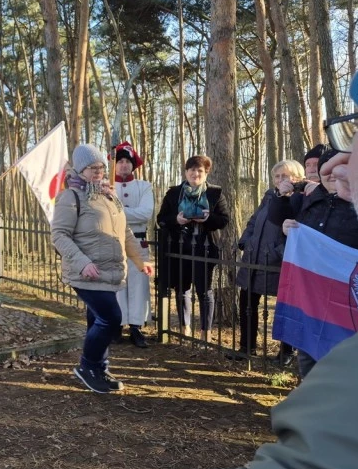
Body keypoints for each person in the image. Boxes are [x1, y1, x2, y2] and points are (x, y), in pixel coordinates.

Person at [162, 51, 358, 469]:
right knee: (306, 359)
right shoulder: (288, 198)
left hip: (332, 301)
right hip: (289, 287)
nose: (344, 164)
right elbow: (269, 221)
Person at [51, 144, 153, 394]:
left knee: (98, 319)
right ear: (80, 170)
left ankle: (99, 368)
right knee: (111, 318)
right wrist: (82, 262)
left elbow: (126, 232)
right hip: (87, 272)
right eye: (91, 168)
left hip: (110, 271)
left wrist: (140, 260)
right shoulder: (71, 196)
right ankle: (87, 366)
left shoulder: (109, 196)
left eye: (100, 167)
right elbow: (59, 235)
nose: (98, 172)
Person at [275, 147, 358, 378]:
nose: (334, 174)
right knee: (309, 358)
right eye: (327, 170)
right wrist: (287, 231)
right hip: (313, 300)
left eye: (342, 169)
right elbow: (297, 238)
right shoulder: (311, 201)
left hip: (350, 305)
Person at [229, 159, 305, 361]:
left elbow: (298, 231)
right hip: (254, 257)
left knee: (286, 306)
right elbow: (254, 221)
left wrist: (276, 251)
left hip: (279, 262)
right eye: (277, 176)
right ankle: (246, 347)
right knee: (247, 302)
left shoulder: (300, 199)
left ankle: (286, 353)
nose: (281, 180)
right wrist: (246, 241)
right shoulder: (270, 196)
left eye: (286, 176)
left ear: (297, 177)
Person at [157, 156, 229, 343]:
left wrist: (208, 219)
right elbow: (161, 219)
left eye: (200, 171)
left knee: (205, 291)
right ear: (186, 171)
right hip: (179, 248)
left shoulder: (215, 193)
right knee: (182, 290)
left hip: (205, 248)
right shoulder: (174, 193)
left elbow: (224, 220)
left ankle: (206, 332)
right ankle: (185, 327)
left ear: (206, 173)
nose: (195, 174)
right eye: (192, 170)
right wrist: (176, 220)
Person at [112, 141, 154, 348]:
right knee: (118, 283)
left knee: (138, 284)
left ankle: (136, 326)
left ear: (133, 164)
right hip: (114, 241)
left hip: (138, 241)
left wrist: (117, 213)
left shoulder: (144, 187)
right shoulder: (108, 187)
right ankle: (118, 325)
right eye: (119, 161)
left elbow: (146, 213)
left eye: (127, 161)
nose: (123, 165)